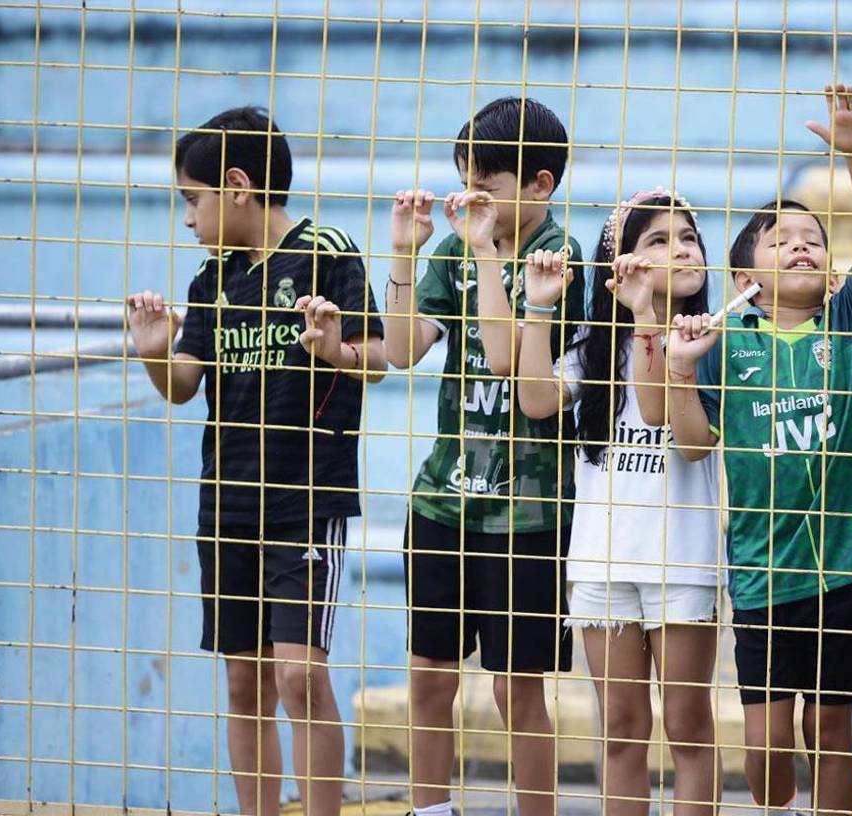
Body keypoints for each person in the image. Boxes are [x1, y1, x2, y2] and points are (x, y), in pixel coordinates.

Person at [637, 84, 852, 814]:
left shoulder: (849, 319)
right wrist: (684, 371)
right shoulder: (728, 347)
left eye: (813, 238)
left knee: (830, 727)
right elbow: (691, 446)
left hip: (847, 564)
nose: (802, 245)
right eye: (781, 239)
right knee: (766, 744)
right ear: (746, 278)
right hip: (761, 570)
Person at [126, 106, 385, 816]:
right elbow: (183, 385)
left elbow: (379, 361)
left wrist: (334, 348)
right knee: (244, 682)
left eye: (192, 198)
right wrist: (153, 351)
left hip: (305, 501)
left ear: (236, 186)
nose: (188, 218)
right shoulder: (209, 281)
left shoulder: (326, 252)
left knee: (298, 676)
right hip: (228, 503)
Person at [379, 96, 585, 816]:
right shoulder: (455, 246)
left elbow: (504, 362)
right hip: (444, 495)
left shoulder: (559, 254)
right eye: (466, 178)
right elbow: (403, 348)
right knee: (429, 675)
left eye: (489, 184)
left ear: (539, 186)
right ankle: (430, 809)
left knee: (514, 685)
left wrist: (488, 253)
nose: (473, 197)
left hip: (527, 510)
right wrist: (405, 253)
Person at [516, 190, 722, 815]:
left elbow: (675, 427)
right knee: (621, 731)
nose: (680, 249)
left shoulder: (713, 340)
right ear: (620, 264)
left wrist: (647, 320)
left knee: (687, 727)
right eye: (658, 240)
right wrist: (538, 308)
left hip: (681, 561)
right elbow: (535, 401)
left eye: (688, 237)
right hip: (602, 563)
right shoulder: (592, 348)